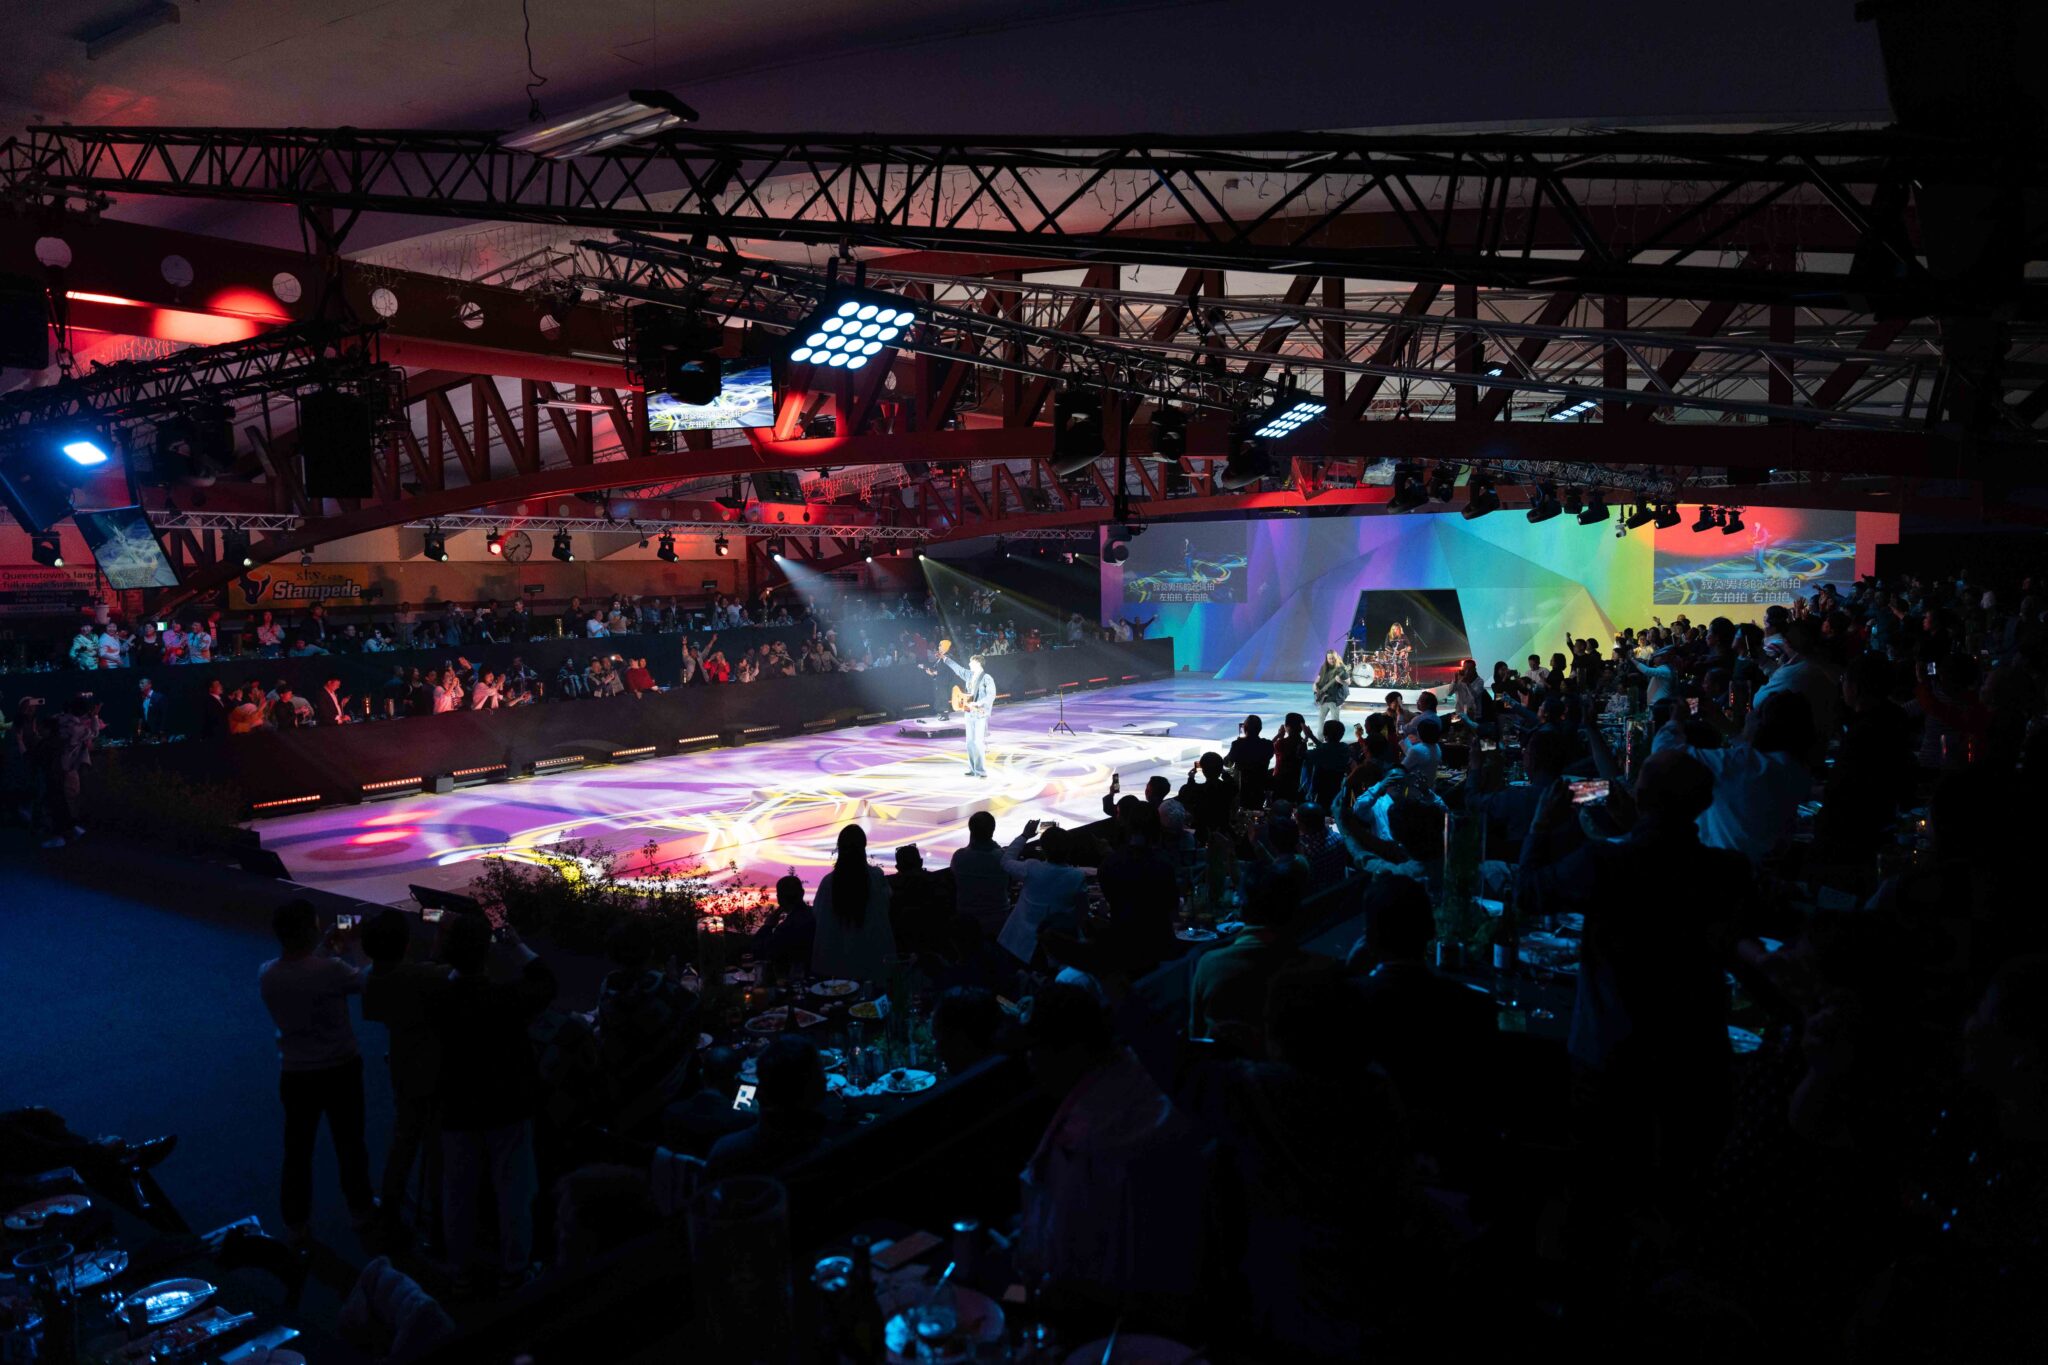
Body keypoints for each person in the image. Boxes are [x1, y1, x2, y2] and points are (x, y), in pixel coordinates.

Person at [1017, 983, 1204, 1313]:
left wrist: (1017, 1291)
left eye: (1035, 1048)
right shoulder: (1145, 1074)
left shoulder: (1082, 1142)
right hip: (1179, 1283)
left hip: (1104, 1309)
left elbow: (1057, 1261)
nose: (1028, 1062)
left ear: (1073, 1049)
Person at [429, 914, 558, 1294]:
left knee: (458, 1191)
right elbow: (546, 981)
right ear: (486, 951)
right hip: (507, 1107)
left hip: (457, 1106)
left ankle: (459, 1270)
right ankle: (514, 1270)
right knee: (514, 1190)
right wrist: (516, 946)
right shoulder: (505, 998)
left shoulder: (437, 997)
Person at [256, 900, 378, 1242]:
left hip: (295, 1074)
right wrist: (356, 947)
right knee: (350, 1143)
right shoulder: (332, 971)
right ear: (309, 929)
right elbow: (366, 980)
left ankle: (295, 1224)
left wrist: (325, 946)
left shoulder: (268, 973)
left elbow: (308, 969)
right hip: (340, 1069)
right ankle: (361, 1210)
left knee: (297, 1150)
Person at [359, 910, 451, 1241]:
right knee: (439, 1146)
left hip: (402, 1064)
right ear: (406, 943)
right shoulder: (424, 978)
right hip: (436, 1068)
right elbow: (452, 973)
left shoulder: (372, 978)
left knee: (404, 1139)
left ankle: (391, 1207)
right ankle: (441, 1218)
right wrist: (442, 937)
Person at [706, 1036, 831, 1178]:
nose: (826, 1079)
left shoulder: (725, 1150)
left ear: (761, 1090)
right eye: (822, 1075)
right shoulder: (830, 1148)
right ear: (818, 1088)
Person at [811, 824, 896, 981]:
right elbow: (887, 906)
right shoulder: (877, 878)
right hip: (875, 962)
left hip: (839, 967)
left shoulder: (828, 883)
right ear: (863, 847)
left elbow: (817, 916)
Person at [998, 824, 1088, 964]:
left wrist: (1024, 836)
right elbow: (1082, 912)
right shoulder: (1077, 876)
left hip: (1020, 944)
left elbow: (1005, 861)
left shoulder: (1031, 868)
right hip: (1057, 945)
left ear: (1043, 849)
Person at [934, 639, 997, 777]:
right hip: (969, 713)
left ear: (978, 663)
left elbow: (991, 695)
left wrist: (978, 703)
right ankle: (972, 768)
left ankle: (981, 771)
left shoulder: (987, 678)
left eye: (971, 662)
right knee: (969, 742)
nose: (969, 664)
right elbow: (957, 668)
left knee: (978, 742)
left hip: (980, 714)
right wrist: (944, 658)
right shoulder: (969, 675)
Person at [949, 810, 1011, 940]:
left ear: (971, 830)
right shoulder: (1002, 857)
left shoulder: (959, 857)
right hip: (999, 918)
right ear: (992, 831)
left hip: (967, 920)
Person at [1176, 751, 1240, 839]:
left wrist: (1191, 779)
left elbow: (1186, 793)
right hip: (1223, 829)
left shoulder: (1197, 790)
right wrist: (1224, 773)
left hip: (1200, 833)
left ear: (1203, 770)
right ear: (1220, 769)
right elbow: (1233, 786)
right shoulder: (1228, 788)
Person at [1226, 714, 1276, 810]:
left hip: (1241, 791)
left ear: (1244, 728)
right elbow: (1267, 751)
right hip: (1259, 789)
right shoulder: (1268, 745)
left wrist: (1236, 746)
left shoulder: (1237, 744)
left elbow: (1228, 764)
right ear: (1260, 728)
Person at [1313, 650, 1349, 729]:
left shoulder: (1341, 669)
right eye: (1329, 658)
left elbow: (1348, 682)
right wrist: (1314, 685)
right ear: (1327, 659)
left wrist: (1340, 681)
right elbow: (1318, 679)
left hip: (1335, 699)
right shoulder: (1324, 667)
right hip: (1324, 698)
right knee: (1320, 720)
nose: (1331, 660)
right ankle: (1320, 739)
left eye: (1333, 658)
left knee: (1335, 721)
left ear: (1336, 658)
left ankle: (1335, 739)